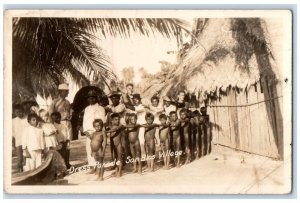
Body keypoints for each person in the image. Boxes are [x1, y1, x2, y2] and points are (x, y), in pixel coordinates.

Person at [82, 90, 106, 171]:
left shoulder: (100, 108)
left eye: (92, 98)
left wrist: (96, 133)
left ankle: (98, 167)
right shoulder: (86, 108)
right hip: (88, 132)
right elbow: (85, 121)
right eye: (89, 98)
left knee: (97, 149)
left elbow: (101, 121)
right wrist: (85, 131)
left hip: (96, 132)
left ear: (96, 98)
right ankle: (92, 166)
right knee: (89, 149)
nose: (90, 100)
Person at [49, 83, 72, 148]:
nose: (68, 92)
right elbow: (51, 114)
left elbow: (69, 112)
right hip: (59, 123)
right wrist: (52, 125)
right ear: (60, 91)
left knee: (68, 144)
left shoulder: (67, 102)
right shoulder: (55, 102)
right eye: (66, 91)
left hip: (68, 123)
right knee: (60, 143)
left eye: (68, 91)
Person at [105, 113, 124, 177]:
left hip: (119, 144)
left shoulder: (120, 126)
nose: (117, 121)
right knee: (114, 157)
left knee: (119, 157)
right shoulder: (110, 127)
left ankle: (120, 172)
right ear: (112, 120)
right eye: (115, 120)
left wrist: (106, 131)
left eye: (118, 119)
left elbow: (115, 129)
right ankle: (116, 169)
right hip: (113, 144)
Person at [12, 104, 28, 172]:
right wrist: (12, 143)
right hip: (18, 142)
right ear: (14, 112)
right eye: (17, 112)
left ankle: (26, 170)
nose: (19, 113)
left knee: (26, 157)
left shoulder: (27, 119)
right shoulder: (13, 121)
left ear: (23, 111)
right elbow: (12, 133)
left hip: (27, 142)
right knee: (19, 158)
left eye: (20, 111)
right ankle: (20, 170)